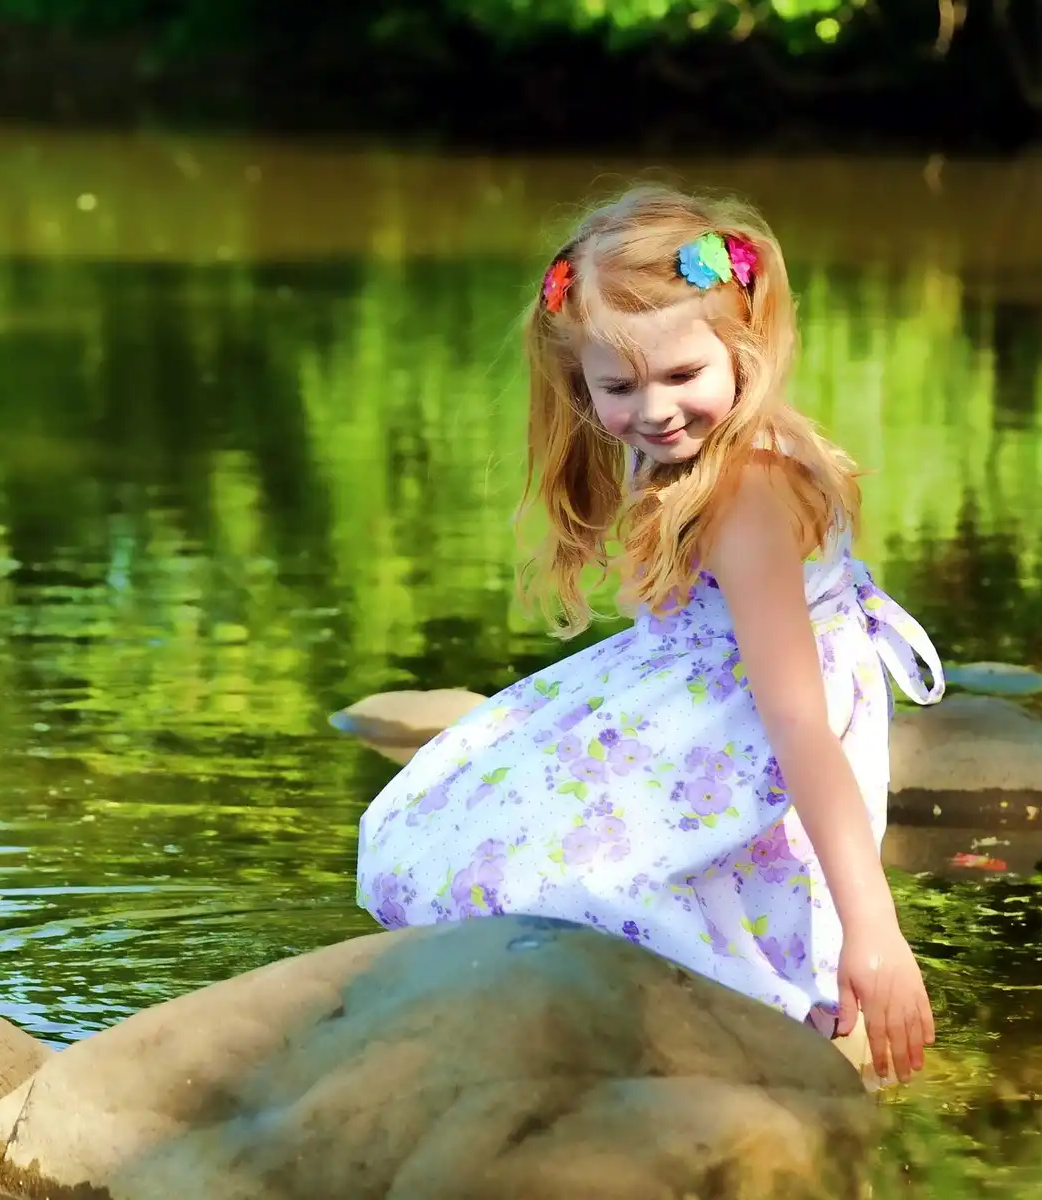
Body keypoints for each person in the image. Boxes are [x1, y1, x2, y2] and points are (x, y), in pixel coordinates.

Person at [354, 184, 946, 1083]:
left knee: (552, 872)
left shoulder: (745, 492)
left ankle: (712, 1023)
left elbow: (795, 724)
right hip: (706, 696)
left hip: (753, 719)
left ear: (743, 352)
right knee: (459, 815)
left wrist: (877, 932)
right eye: (618, 386)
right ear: (579, 380)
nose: (655, 410)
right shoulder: (695, 453)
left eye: (682, 376)